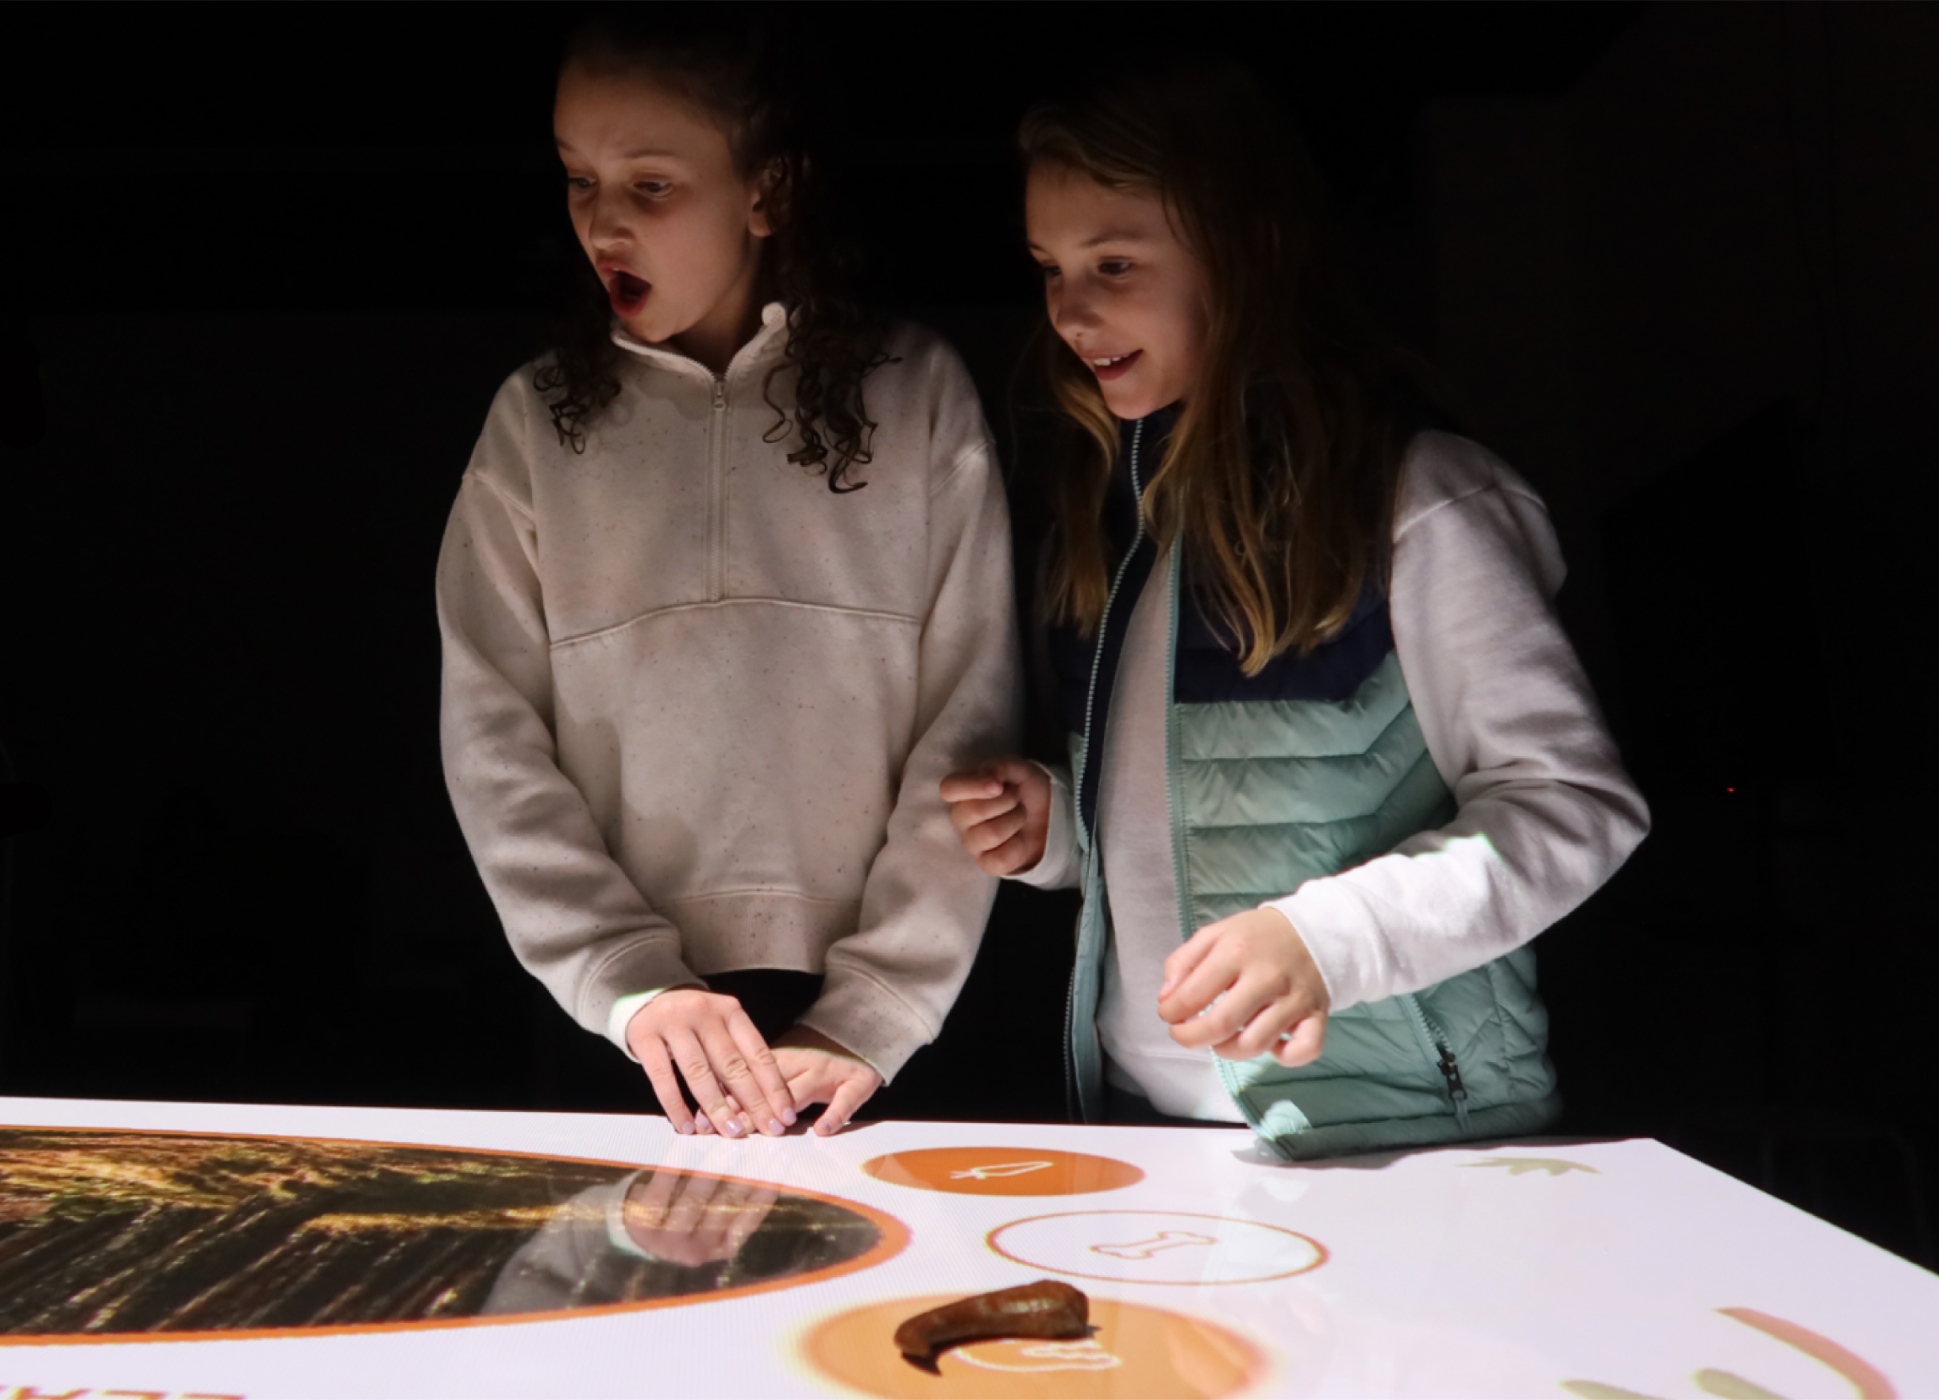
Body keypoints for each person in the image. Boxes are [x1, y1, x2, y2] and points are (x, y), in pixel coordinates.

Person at [941, 56, 1649, 1160]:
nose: (1070, 311)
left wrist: (1328, 940)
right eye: (1049, 268)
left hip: (1406, 1141)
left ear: (1247, 250)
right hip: (1146, 1129)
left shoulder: (1418, 498)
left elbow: (1576, 806)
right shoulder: (1112, 524)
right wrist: (1060, 829)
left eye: (1114, 263)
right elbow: (1208, 816)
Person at [438, 12, 1017, 1139]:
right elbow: (489, 738)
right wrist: (623, 976)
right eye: (578, 178)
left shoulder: (916, 394)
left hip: (880, 1043)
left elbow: (971, 723)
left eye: (650, 185)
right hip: (618, 1027)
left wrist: (877, 1006)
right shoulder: (534, 423)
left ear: (769, 189)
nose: (603, 221)